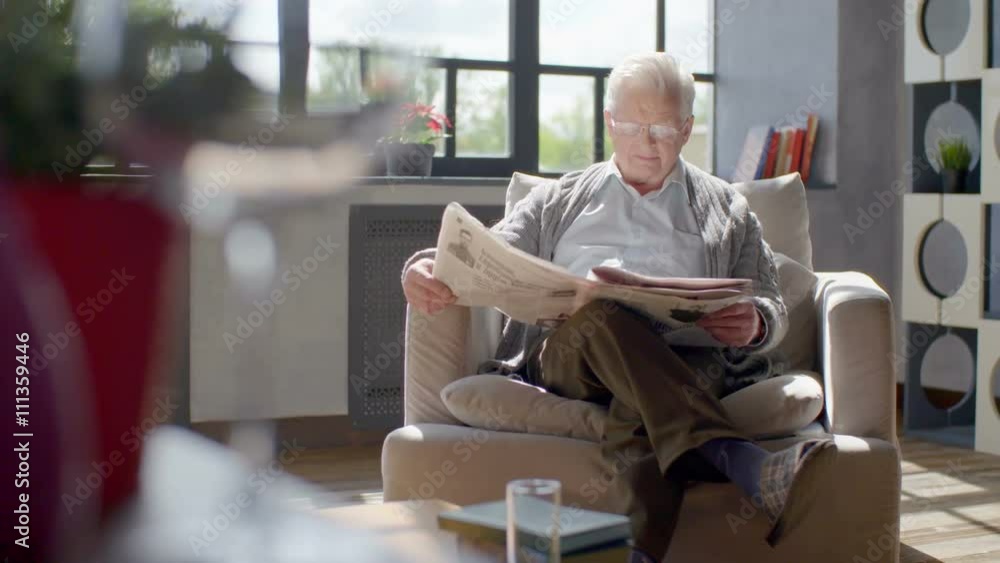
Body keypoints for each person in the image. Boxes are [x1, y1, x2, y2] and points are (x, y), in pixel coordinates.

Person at [401, 52, 834, 563]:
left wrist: (756, 322)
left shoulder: (728, 209)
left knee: (642, 406)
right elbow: (487, 253)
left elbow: (768, 297)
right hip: (572, 354)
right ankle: (741, 460)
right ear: (610, 122)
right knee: (604, 315)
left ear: (687, 128)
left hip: (684, 360)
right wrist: (424, 266)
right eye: (632, 126)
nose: (647, 142)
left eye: (663, 128)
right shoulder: (558, 199)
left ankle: (641, 554)